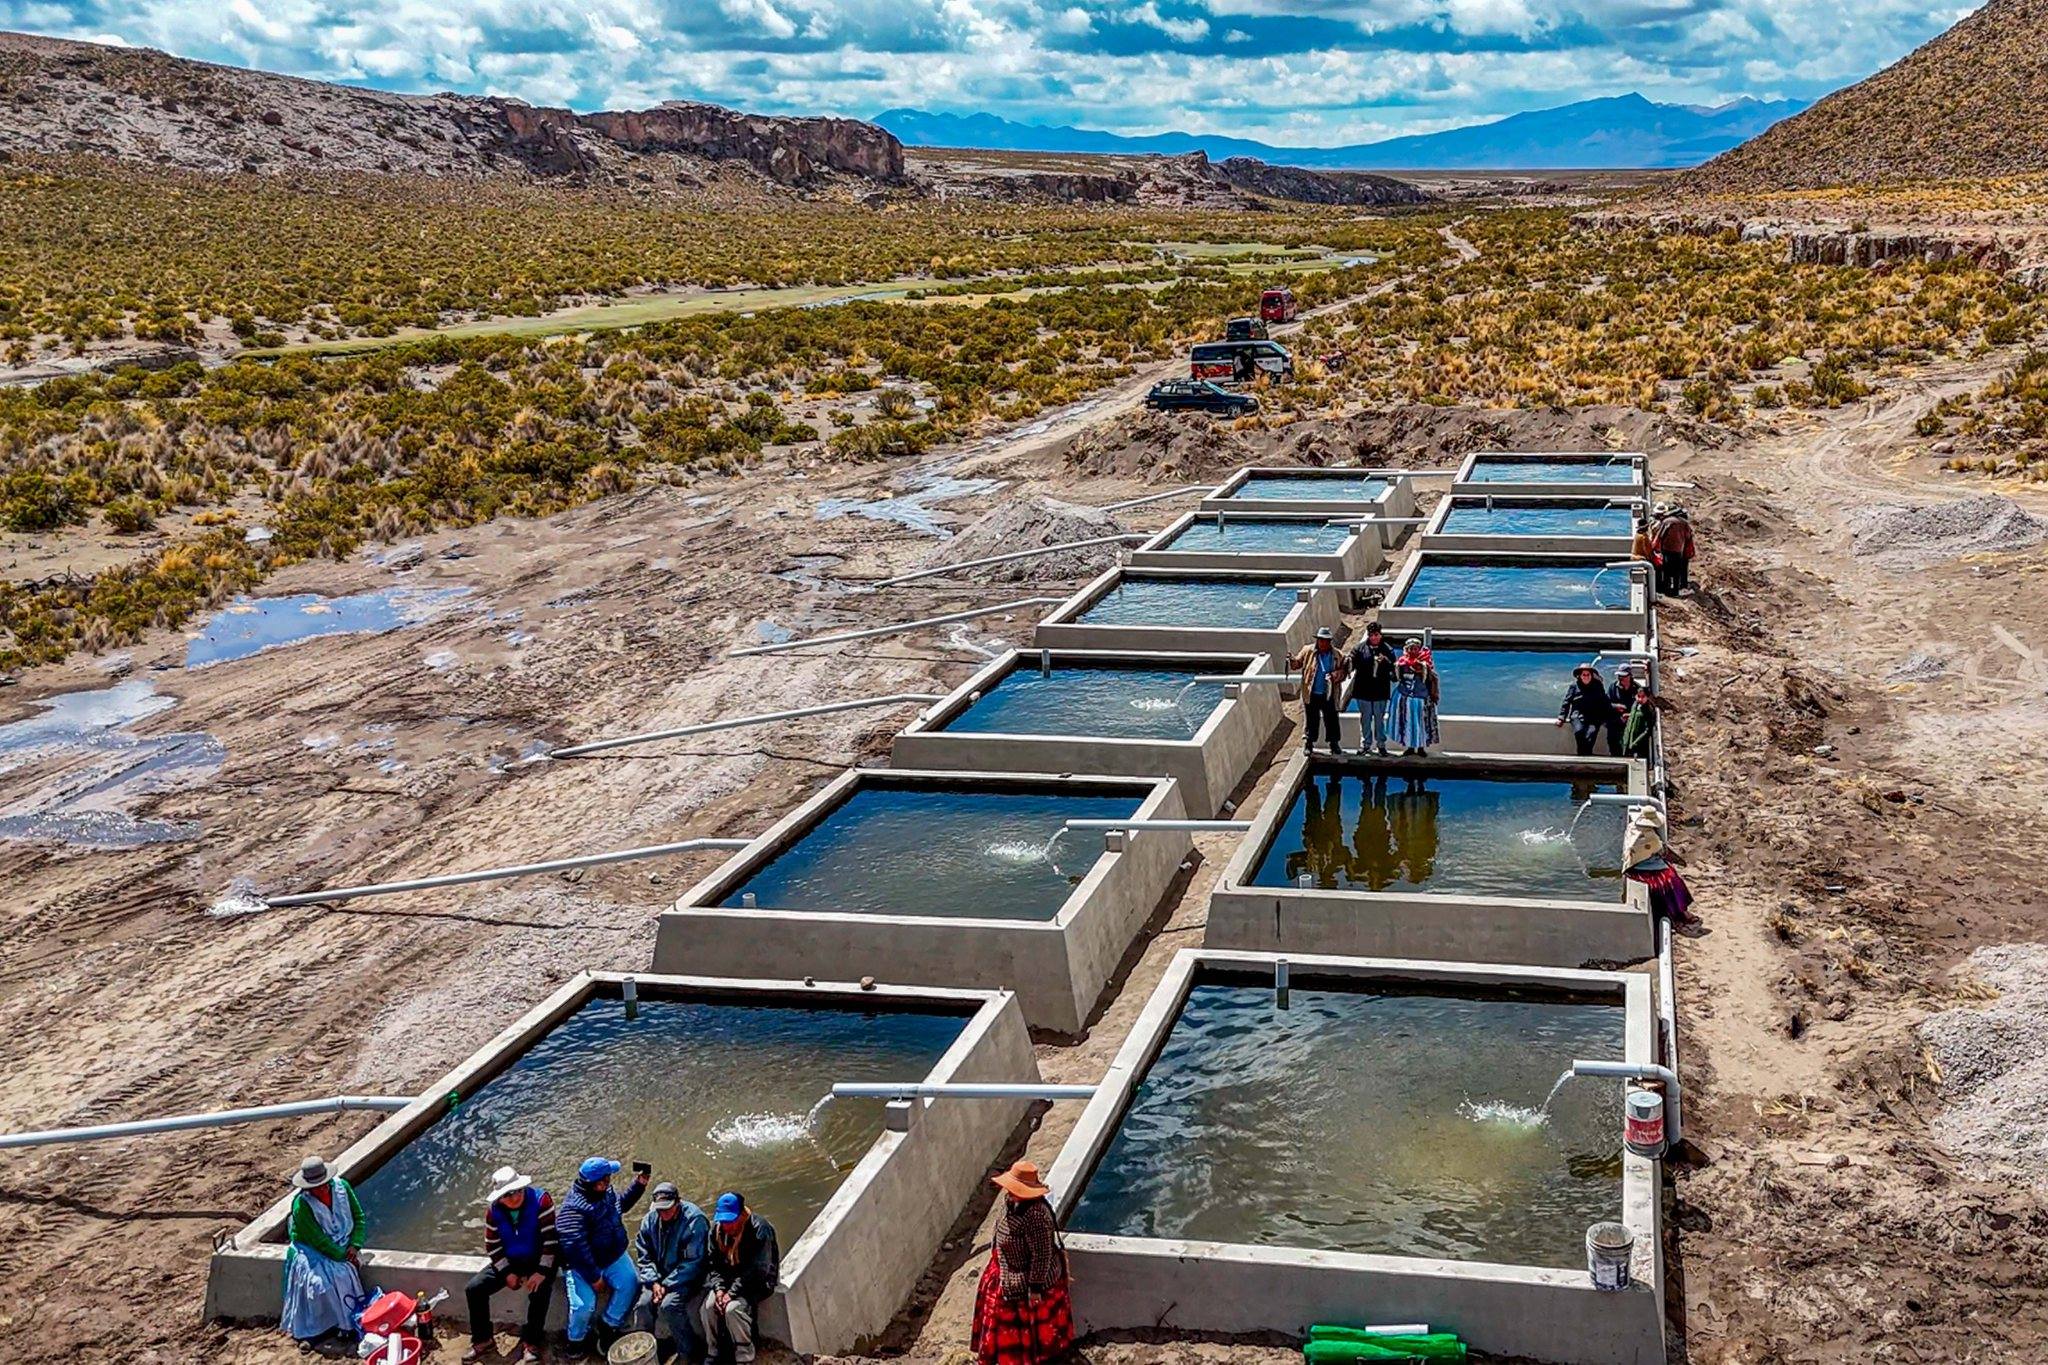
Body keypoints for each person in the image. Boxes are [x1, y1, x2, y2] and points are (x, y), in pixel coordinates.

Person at [971, 1161, 1074, 1365]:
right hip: (1005, 1271)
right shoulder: (1011, 1204)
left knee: (1025, 1329)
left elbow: (1042, 1255)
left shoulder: (1036, 1215)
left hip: (1028, 1283)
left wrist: (1035, 1287)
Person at [465, 1165, 559, 1365]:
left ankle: (532, 1342)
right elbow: (492, 1245)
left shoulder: (542, 1201)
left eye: (517, 1191)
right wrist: (506, 1272)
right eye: (507, 1194)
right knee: (474, 1289)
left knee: (540, 1291)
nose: (514, 1197)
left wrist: (542, 1271)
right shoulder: (493, 1212)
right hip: (511, 1260)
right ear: (499, 1197)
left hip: (540, 1257)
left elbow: (551, 1240)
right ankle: (483, 1340)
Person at [557, 1156, 650, 1357]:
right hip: (581, 1265)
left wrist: (639, 1186)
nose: (610, 1181)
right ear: (598, 1183)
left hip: (611, 1255)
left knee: (630, 1283)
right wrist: (595, 1277)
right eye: (608, 1178)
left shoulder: (605, 1193)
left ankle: (608, 1324)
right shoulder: (573, 1210)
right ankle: (576, 1340)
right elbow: (575, 1248)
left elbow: (620, 1206)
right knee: (584, 1306)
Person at [280, 1156, 366, 1347]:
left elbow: (359, 1218)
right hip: (310, 1248)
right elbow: (318, 1240)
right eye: (317, 1187)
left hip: (343, 1242)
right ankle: (322, 1328)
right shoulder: (301, 1206)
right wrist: (342, 1257)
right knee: (320, 1285)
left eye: (325, 1184)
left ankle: (347, 1324)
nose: (323, 1189)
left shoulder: (343, 1187)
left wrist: (355, 1245)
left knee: (343, 1273)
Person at [698, 1192, 779, 1365]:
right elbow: (713, 1264)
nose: (727, 1226)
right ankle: (714, 1351)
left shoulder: (759, 1229)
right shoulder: (716, 1231)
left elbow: (757, 1270)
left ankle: (744, 1354)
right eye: (723, 1221)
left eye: (731, 1221)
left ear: (741, 1214)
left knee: (732, 1309)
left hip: (756, 1282)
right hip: (728, 1280)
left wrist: (731, 1294)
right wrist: (719, 1289)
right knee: (707, 1308)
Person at [634, 1182, 709, 1364]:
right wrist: (654, 1282)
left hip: (687, 1277)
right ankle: (647, 1350)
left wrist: (667, 1284)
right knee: (643, 1305)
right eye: (659, 1210)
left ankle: (688, 1352)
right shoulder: (649, 1220)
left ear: (678, 1202)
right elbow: (644, 1256)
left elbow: (694, 1262)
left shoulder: (694, 1221)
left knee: (669, 1305)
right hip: (658, 1278)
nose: (663, 1213)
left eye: (667, 1209)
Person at [1624, 805, 1699, 930]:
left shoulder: (1632, 828)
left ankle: (1678, 912)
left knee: (1669, 875)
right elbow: (1664, 852)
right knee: (1671, 880)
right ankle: (1679, 912)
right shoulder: (1651, 838)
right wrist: (1680, 861)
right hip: (1641, 870)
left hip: (1633, 864)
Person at [1291, 626, 1348, 756]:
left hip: (1329, 694)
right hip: (1311, 693)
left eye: (1326, 640)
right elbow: (1297, 664)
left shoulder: (1337, 655)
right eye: (1321, 640)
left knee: (1332, 719)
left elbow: (1344, 672)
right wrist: (1292, 661)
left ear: (1330, 642)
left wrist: (1335, 675)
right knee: (1311, 720)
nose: (1323, 643)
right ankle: (1309, 744)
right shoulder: (1307, 651)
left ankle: (1334, 744)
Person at [1348, 622, 1398, 757]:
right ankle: (1365, 745)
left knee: (1379, 719)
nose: (1374, 637)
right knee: (1365, 719)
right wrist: (1347, 662)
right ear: (1368, 635)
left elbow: (1395, 671)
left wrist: (1386, 662)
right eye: (1371, 635)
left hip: (1380, 692)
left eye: (1376, 635)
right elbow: (1351, 663)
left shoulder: (1388, 649)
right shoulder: (1359, 648)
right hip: (1363, 691)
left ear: (1380, 635)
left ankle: (1381, 745)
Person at [1557, 662, 1621, 756]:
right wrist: (1561, 717)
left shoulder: (1598, 686)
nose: (1586, 677)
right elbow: (1567, 702)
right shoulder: (1574, 686)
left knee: (1591, 734)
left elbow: (1604, 702)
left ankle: (1585, 756)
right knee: (1579, 732)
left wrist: (1614, 710)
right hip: (1577, 715)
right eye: (1584, 675)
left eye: (1588, 675)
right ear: (1580, 676)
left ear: (1591, 675)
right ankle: (1584, 755)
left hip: (1594, 716)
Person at [1389, 638, 1439, 757]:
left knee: (1421, 724)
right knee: (1407, 724)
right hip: (1405, 698)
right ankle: (1410, 747)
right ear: (1406, 650)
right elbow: (1394, 678)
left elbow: (1432, 679)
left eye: (1415, 649)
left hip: (1420, 699)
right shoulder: (1401, 664)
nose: (1412, 651)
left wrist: (1422, 671)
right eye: (1410, 649)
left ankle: (1421, 748)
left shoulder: (1425, 664)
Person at [1611, 667, 1658, 761]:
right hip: (1627, 740)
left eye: (1643, 697)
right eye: (1638, 697)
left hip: (1638, 745)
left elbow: (1647, 730)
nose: (1640, 699)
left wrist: (1635, 743)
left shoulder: (1648, 710)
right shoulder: (1635, 705)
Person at [1658, 506, 1697, 594]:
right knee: (1677, 571)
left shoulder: (1666, 522)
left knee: (1667, 570)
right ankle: (1676, 590)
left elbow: (1660, 535)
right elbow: (1688, 536)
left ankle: (1667, 590)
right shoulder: (1684, 523)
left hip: (1667, 549)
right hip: (1679, 550)